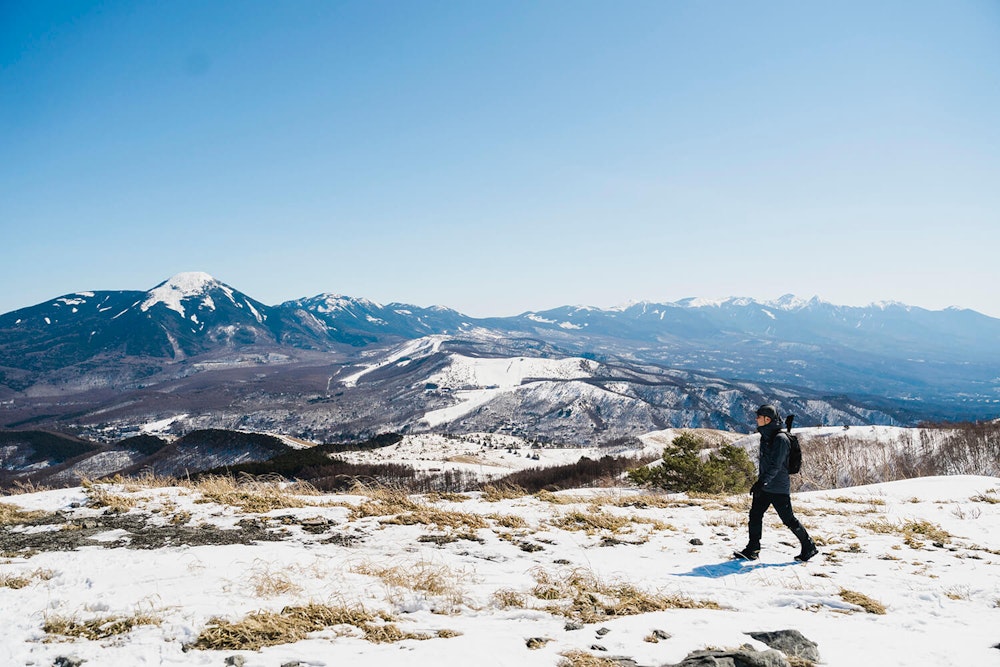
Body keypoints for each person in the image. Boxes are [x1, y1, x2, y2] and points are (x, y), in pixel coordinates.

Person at [734, 404, 818, 562]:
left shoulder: (780, 439)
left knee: (788, 519)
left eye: (759, 417)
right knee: (755, 515)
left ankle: (809, 546)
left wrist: (761, 483)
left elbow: (776, 466)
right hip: (766, 485)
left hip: (778, 488)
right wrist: (761, 483)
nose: (756, 419)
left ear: (767, 419)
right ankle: (752, 549)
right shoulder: (766, 436)